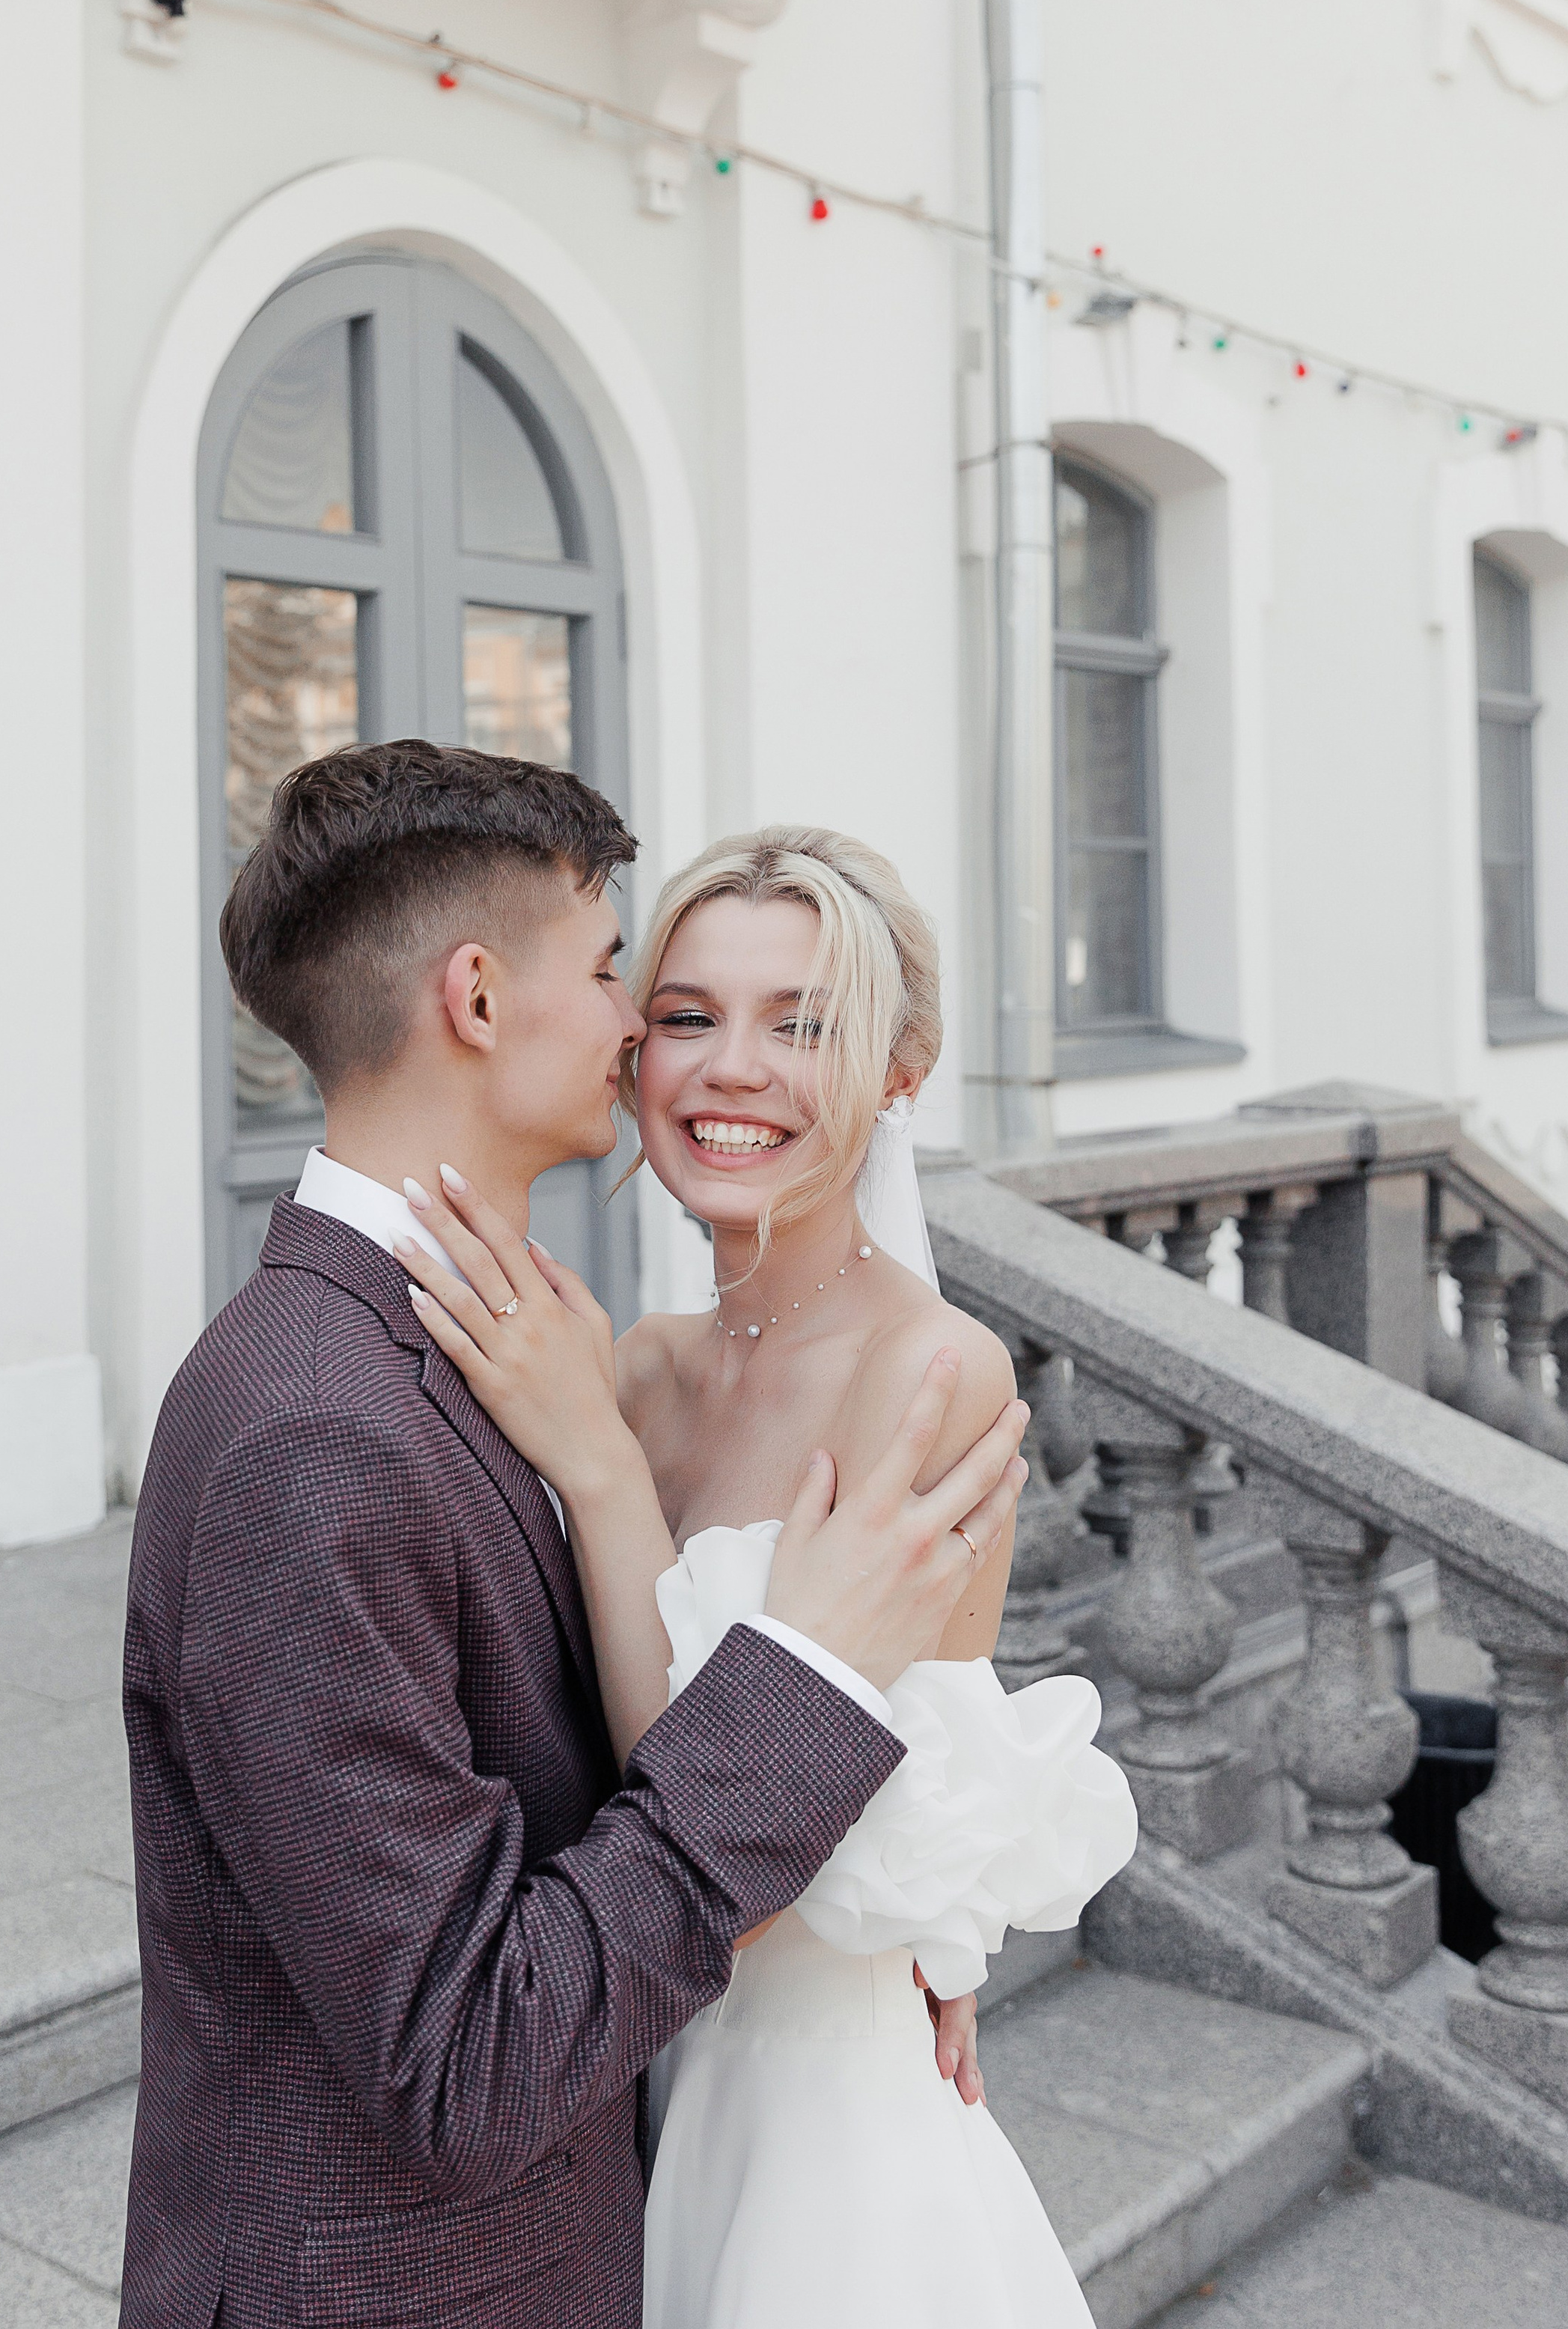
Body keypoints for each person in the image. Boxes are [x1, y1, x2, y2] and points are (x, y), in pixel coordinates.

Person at [118, 747, 1031, 2329]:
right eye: (639, 984)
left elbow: (893, 1761)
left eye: (795, 1021)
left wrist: (926, 1923)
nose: (642, 1042)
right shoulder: (325, 1423)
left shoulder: (498, 1345)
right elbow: (464, 2052)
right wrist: (795, 1681)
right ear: (476, 997)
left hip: (757, 2139)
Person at [396, 825, 1136, 2329]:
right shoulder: (633, 1361)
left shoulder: (926, 1373)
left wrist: (597, 1474)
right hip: (606, 2073)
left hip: (809, 2123)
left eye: (802, 1024)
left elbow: (779, 1858)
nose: (731, 1067)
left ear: (901, 1069)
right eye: (684, 1015)